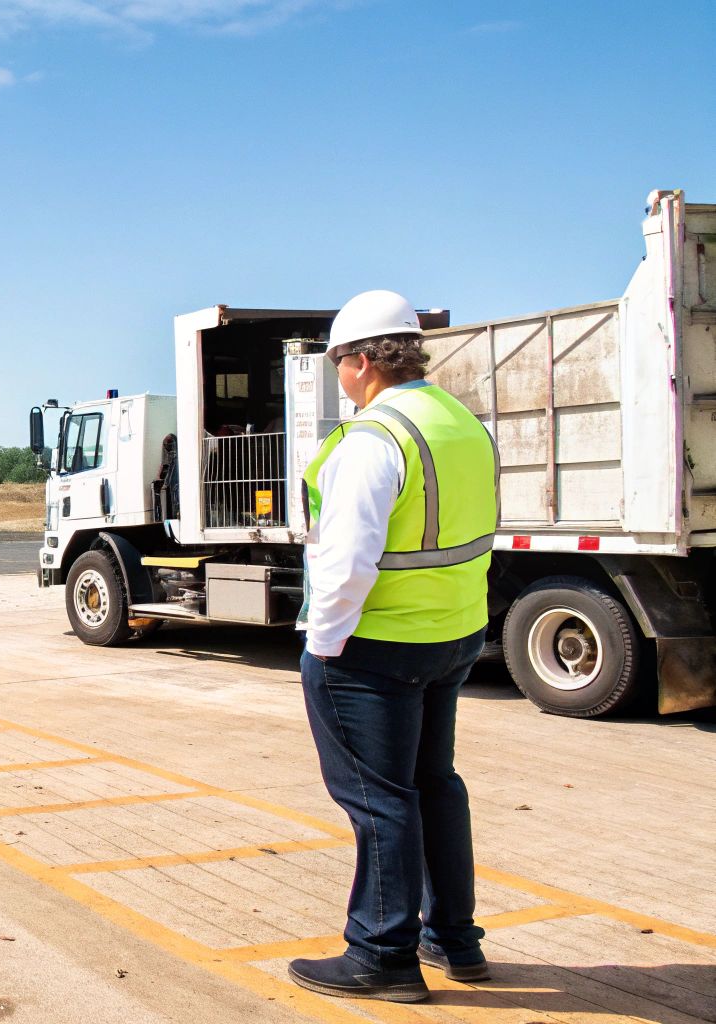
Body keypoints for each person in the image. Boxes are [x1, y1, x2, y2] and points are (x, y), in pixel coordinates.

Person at [290, 290, 499, 1003]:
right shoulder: (462, 424)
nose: (337, 375)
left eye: (337, 361)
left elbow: (347, 563)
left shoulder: (374, 439)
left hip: (376, 647)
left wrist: (323, 648)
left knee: (381, 801)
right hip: (453, 634)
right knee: (434, 785)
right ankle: (455, 941)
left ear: (361, 362)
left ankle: (382, 955)